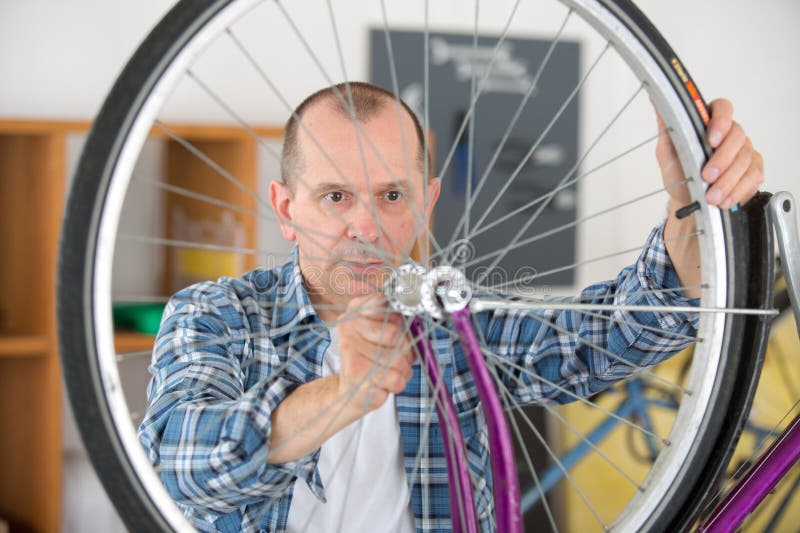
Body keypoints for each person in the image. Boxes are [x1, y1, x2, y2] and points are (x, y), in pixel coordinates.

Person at [137, 82, 764, 532]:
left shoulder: (451, 319)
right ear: (284, 208)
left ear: (428, 199)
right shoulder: (215, 314)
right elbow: (175, 467)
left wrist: (693, 203)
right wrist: (340, 394)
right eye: (334, 196)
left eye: (390, 195)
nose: (365, 226)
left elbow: (615, 332)